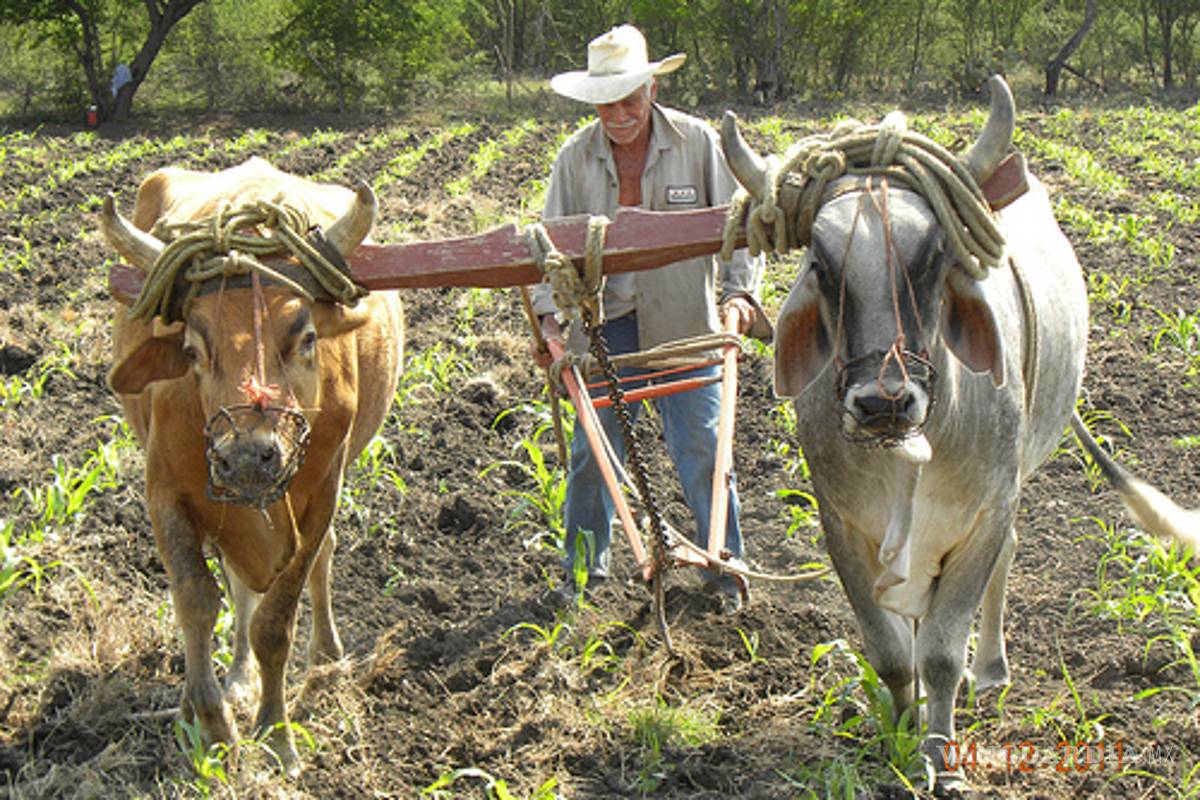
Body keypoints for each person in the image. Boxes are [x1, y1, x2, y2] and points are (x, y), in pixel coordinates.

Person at [532, 24, 771, 614]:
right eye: (606, 103)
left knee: (704, 447)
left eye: (629, 100)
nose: (618, 114)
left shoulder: (696, 143)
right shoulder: (574, 159)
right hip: (603, 326)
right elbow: (546, 249)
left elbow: (739, 227)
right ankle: (582, 575)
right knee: (593, 456)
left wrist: (739, 295)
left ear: (652, 90)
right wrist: (549, 325)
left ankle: (725, 572)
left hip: (685, 321)